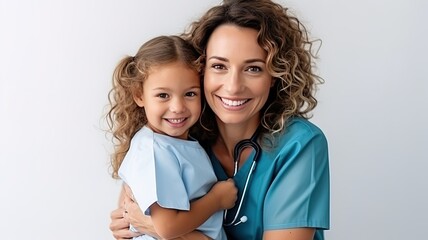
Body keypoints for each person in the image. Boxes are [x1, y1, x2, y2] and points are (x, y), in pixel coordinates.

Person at [110, 0, 330, 239]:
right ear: (201, 71)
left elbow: (156, 225)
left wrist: (166, 231)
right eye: (219, 66)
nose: (233, 87)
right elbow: (129, 218)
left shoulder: (299, 145)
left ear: (275, 75)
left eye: (253, 68)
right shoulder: (177, 137)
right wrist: (130, 226)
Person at [106, 35, 238, 240]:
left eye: (190, 94)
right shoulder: (154, 151)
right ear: (139, 95)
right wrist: (217, 200)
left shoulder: (174, 143)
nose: (177, 107)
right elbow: (168, 228)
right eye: (163, 95)